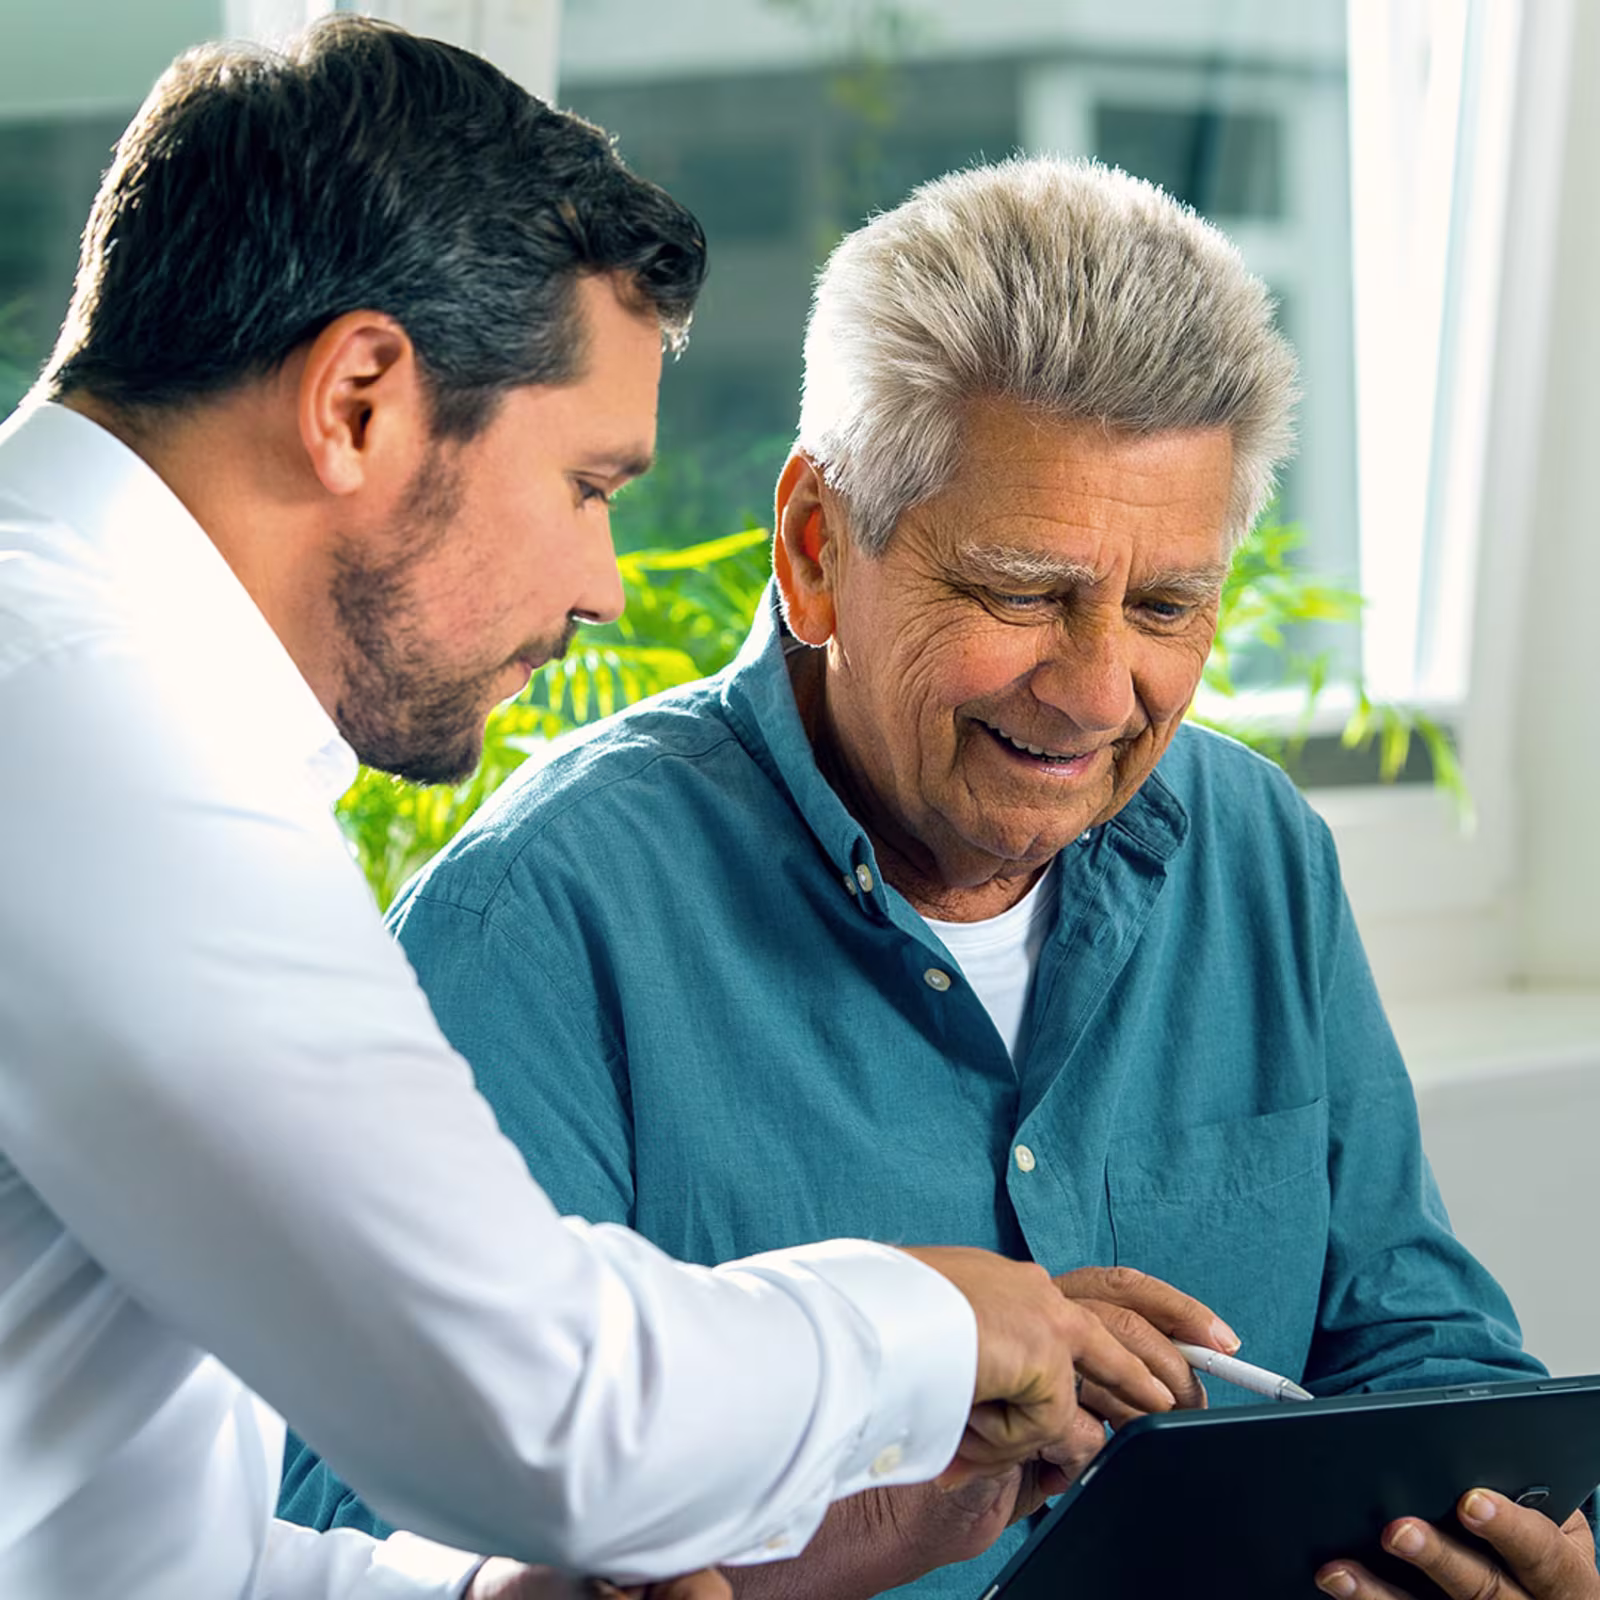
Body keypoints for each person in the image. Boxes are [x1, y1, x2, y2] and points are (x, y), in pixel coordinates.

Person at [281, 157, 1600, 1600]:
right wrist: (872, 1425)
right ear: (816, 547)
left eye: (1166, 606)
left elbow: (1422, 1358)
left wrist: (1509, 1547)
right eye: (1023, 591)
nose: (1097, 692)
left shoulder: (1257, 850)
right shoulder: (536, 923)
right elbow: (376, 1537)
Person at [0, 26, 1191, 1600]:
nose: (602, 588)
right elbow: (542, 1410)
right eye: (588, 486)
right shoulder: (84, 729)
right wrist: (943, 1324)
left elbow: (109, 1541)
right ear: (358, 402)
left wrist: (488, 1598)